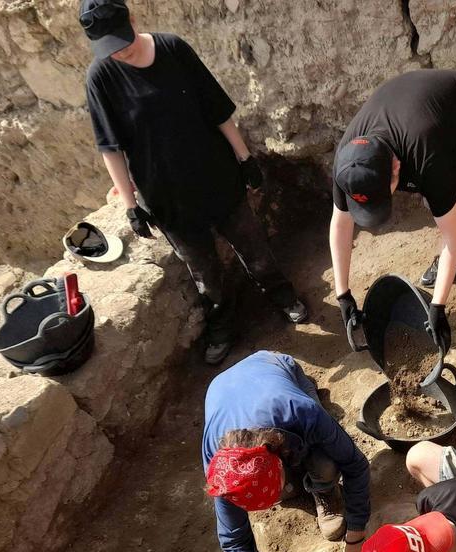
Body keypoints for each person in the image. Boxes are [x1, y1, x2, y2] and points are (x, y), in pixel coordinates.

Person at [79, 0, 307, 365]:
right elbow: (111, 148)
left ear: (133, 19)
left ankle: (283, 296)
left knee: (255, 250)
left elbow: (218, 108)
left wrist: (245, 159)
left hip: (217, 177)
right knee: (205, 276)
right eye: (109, 47)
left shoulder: (172, 48)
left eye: (122, 40)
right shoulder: (101, 77)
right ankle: (223, 328)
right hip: (168, 199)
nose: (119, 51)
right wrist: (130, 205)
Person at [329, 70, 456, 364]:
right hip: (428, 121)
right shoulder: (348, 162)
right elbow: (340, 224)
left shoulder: (424, 156)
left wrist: (438, 307)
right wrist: (343, 295)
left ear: (396, 168)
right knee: (442, 203)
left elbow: (451, 239)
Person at [202, 351, 370, 552]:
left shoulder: (299, 411)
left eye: (278, 491)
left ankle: (323, 490)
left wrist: (355, 536)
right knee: (297, 480)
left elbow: (356, 465)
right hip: (222, 389)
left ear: (277, 458)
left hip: (275, 366)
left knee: (325, 464)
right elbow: (233, 540)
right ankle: (297, 483)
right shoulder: (222, 470)